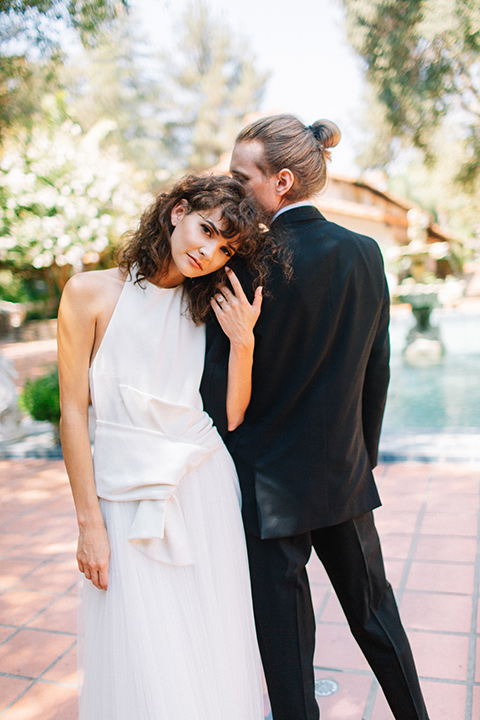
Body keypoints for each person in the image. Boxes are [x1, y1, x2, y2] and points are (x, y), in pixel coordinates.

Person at [201, 115, 430, 720]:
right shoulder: (365, 252)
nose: (231, 188)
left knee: (287, 644)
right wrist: (363, 455)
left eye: (239, 176)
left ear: (280, 181)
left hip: (269, 484)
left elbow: (217, 389)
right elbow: (376, 368)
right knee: (377, 615)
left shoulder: (242, 262)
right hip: (343, 473)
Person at [57, 174, 268, 720]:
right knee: (136, 647)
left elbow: (232, 415)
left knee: (206, 641)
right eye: (205, 229)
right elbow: (72, 417)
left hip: (202, 488)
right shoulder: (89, 293)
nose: (209, 251)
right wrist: (88, 523)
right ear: (177, 212)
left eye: (226, 248)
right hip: (124, 492)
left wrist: (243, 343)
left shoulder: (209, 307)